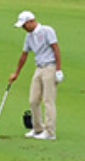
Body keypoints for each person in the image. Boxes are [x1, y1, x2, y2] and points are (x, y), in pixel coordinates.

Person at [8, 10, 63, 140]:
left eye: (24, 25)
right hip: (38, 68)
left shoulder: (47, 30)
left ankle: (50, 132)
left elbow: (56, 49)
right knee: (33, 100)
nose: (23, 28)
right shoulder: (29, 36)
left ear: (31, 21)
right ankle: (38, 128)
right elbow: (24, 55)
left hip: (50, 67)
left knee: (48, 101)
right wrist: (16, 73)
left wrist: (58, 70)